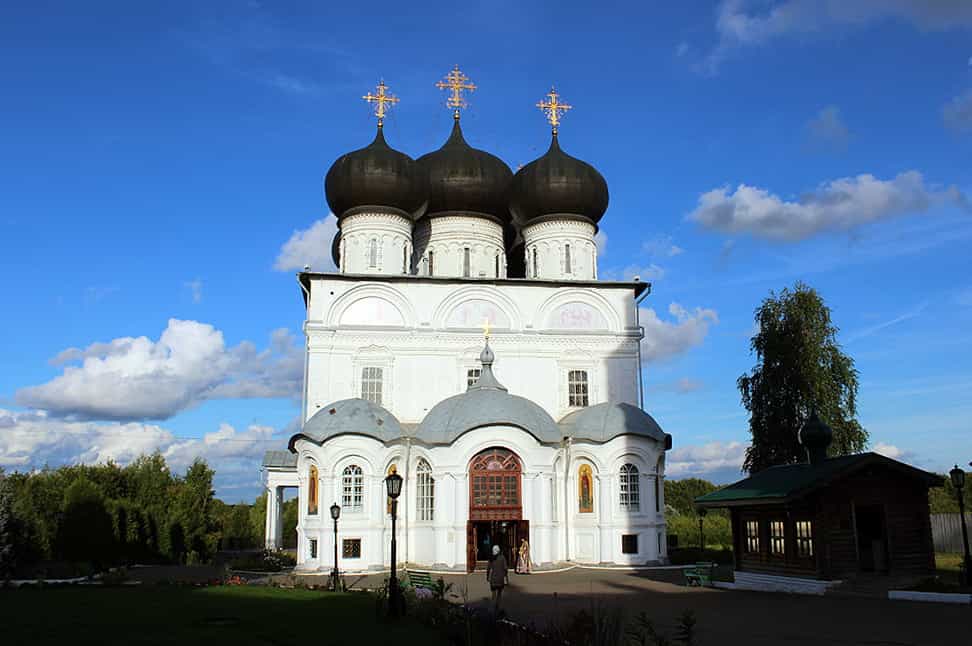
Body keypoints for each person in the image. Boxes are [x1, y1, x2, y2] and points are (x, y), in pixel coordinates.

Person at [486, 544, 508, 612]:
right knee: (499, 594)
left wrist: (487, 577)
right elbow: (505, 568)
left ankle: (493, 606)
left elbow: (488, 569)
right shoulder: (502, 558)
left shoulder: (491, 558)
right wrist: (505, 576)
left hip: (493, 579)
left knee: (493, 594)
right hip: (500, 579)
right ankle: (497, 606)